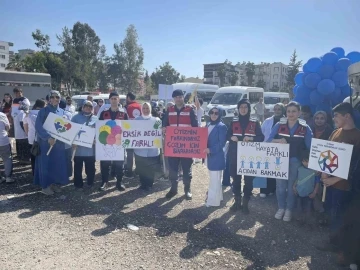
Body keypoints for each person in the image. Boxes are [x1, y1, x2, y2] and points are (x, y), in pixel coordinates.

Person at [317, 103, 360, 254]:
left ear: (347, 116)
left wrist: (335, 180)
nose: (333, 118)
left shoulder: (357, 137)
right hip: (329, 184)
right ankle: (333, 241)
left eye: (336, 115)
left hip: (344, 187)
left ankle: (339, 247)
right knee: (331, 213)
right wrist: (322, 172)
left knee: (340, 216)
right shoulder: (335, 132)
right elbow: (326, 155)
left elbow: (355, 166)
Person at [267, 101, 313, 222]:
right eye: (288, 111)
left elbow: (310, 146)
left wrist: (308, 161)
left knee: (291, 186)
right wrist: (278, 141)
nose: (291, 114)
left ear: (299, 113)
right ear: (285, 112)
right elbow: (269, 140)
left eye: (294, 111)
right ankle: (281, 207)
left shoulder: (305, 127)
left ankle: (289, 209)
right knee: (280, 186)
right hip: (279, 160)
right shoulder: (278, 124)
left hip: (295, 161)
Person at [227, 99, 264, 214]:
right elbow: (227, 135)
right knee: (236, 179)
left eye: (245, 107)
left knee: (249, 181)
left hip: (250, 157)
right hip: (235, 154)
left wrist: (252, 138)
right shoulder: (233, 121)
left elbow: (261, 137)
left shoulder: (255, 121)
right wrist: (231, 137)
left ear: (249, 109)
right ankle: (237, 201)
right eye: (241, 107)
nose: (243, 109)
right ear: (238, 109)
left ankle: (245, 203)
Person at [162, 89, 198, 200]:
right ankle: (173, 189)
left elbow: (195, 127)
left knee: (187, 169)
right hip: (173, 146)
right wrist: (163, 128)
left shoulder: (190, 110)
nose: (178, 99)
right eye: (176, 97)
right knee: (173, 169)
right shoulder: (169, 110)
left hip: (186, 146)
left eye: (180, 96)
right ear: (173, 99)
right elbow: (165, 124)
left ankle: (187, 190)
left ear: (183, 97)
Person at [34, 90, 69, 195]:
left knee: (57, 164)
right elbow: (38, 127)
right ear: (49, 99)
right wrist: (47, 138)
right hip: (46, 143)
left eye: (57, 97)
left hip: (58, 144)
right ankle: (45, 186)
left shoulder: (62, 112)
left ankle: (54, 184)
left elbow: (66, 128)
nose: (55, 99)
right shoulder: (43, 111)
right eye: (52, 97)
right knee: (45, 164)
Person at [98, 91, 128, 191]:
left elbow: (128, 128)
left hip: (119, 142)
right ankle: (104, 182)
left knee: (120, 164)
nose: (114, 100)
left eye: (116, 98)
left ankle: (119, 182)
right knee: (105, 164)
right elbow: (99, 127)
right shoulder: (104, 113)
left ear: (118, 100)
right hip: (106, 142)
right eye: (112, 99)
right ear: (109, 100)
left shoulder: (123, 114)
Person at [260, 103, 285, 197]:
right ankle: (263, 190)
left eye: (279, 109)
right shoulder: (267, 121)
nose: (277, 111)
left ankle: (272, 189)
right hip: (267, 148)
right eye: (275, 109)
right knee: (265, 169)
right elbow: (262, 132)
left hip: (280, 150)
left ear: (283, 110)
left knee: (275, 169)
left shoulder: (287, 121)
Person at [134, 102, 161, 191]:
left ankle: (149, 184)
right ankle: (143, 184)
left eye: (147, 108)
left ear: (150, 109)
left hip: (152, 150)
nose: (145, 110)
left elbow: (158, 133)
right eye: (144, 108)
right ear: (141, 109)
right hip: (140, 151)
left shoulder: (156, 120)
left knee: (150, 169)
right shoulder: (136, 120)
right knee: (141, 168)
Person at [71, 101, 98, 191]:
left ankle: (90, 183)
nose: (88, 108)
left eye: (90, 106)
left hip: (90, 150)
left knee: (90, 168)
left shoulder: (96, 118)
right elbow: (70, 131)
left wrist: (96, 140)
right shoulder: (75, 118)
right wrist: (72, 142)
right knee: (78, 168)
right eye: (86, 106)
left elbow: (99, 132)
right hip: (78, 149)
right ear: (82, 107)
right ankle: (78, 185)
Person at [204, 107, 227, 207]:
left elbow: (222, 143)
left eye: (216, 113)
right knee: (215, 179)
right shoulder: (208, 124)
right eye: (212, 112)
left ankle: (212, 201)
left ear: (220, 114)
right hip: (208, 156)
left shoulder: (221, 126)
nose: (213, 115)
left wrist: (211, 150)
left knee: (215, 180)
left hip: (216, 156)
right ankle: (218, 198)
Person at [293, 151, 320, 226]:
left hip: (309, 193)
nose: (306, 163)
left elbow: (317, 182)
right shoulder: (300, 169)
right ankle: (300, 220)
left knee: (308, 208)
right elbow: (298, 179)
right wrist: (294, 186)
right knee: (299, 206)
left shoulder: (315, 171)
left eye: (307, 161)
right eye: (304, 161)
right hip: (299, 192)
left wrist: (314, 192)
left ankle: (308, 222)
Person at [23, 99, 46, 175]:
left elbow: (25, 126)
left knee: (33, 156)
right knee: (42, 157)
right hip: (42, 138)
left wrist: (28, 134)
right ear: (43, 105)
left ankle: (34, 173)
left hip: (32, 138)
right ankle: (42, 173)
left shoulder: (28, 114)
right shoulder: (44, 114)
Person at [124, 92, 142, 178]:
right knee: (138, 153)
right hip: (140, 133)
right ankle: (138, 170)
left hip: (129, 133)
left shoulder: (126, 107)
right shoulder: (141, 106)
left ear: (128, 98)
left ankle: (129, 171)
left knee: (130, 153)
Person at [11, 88, 31, 163]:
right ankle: (20, 156)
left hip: (22, 121)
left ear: (21, 92)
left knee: (24, 141)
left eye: (18, 92)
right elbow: (13, 110)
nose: (17, 94)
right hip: (16, 123)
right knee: (18, 142)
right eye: (15, 93)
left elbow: (24, 109)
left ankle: (26, 158)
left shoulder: (25, 99)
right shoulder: (14, 100)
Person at [0, 112, 13, 183]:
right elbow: (8, 127)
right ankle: (8, 177)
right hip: (3, 140)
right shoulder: (2, 115)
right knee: (7, 159)